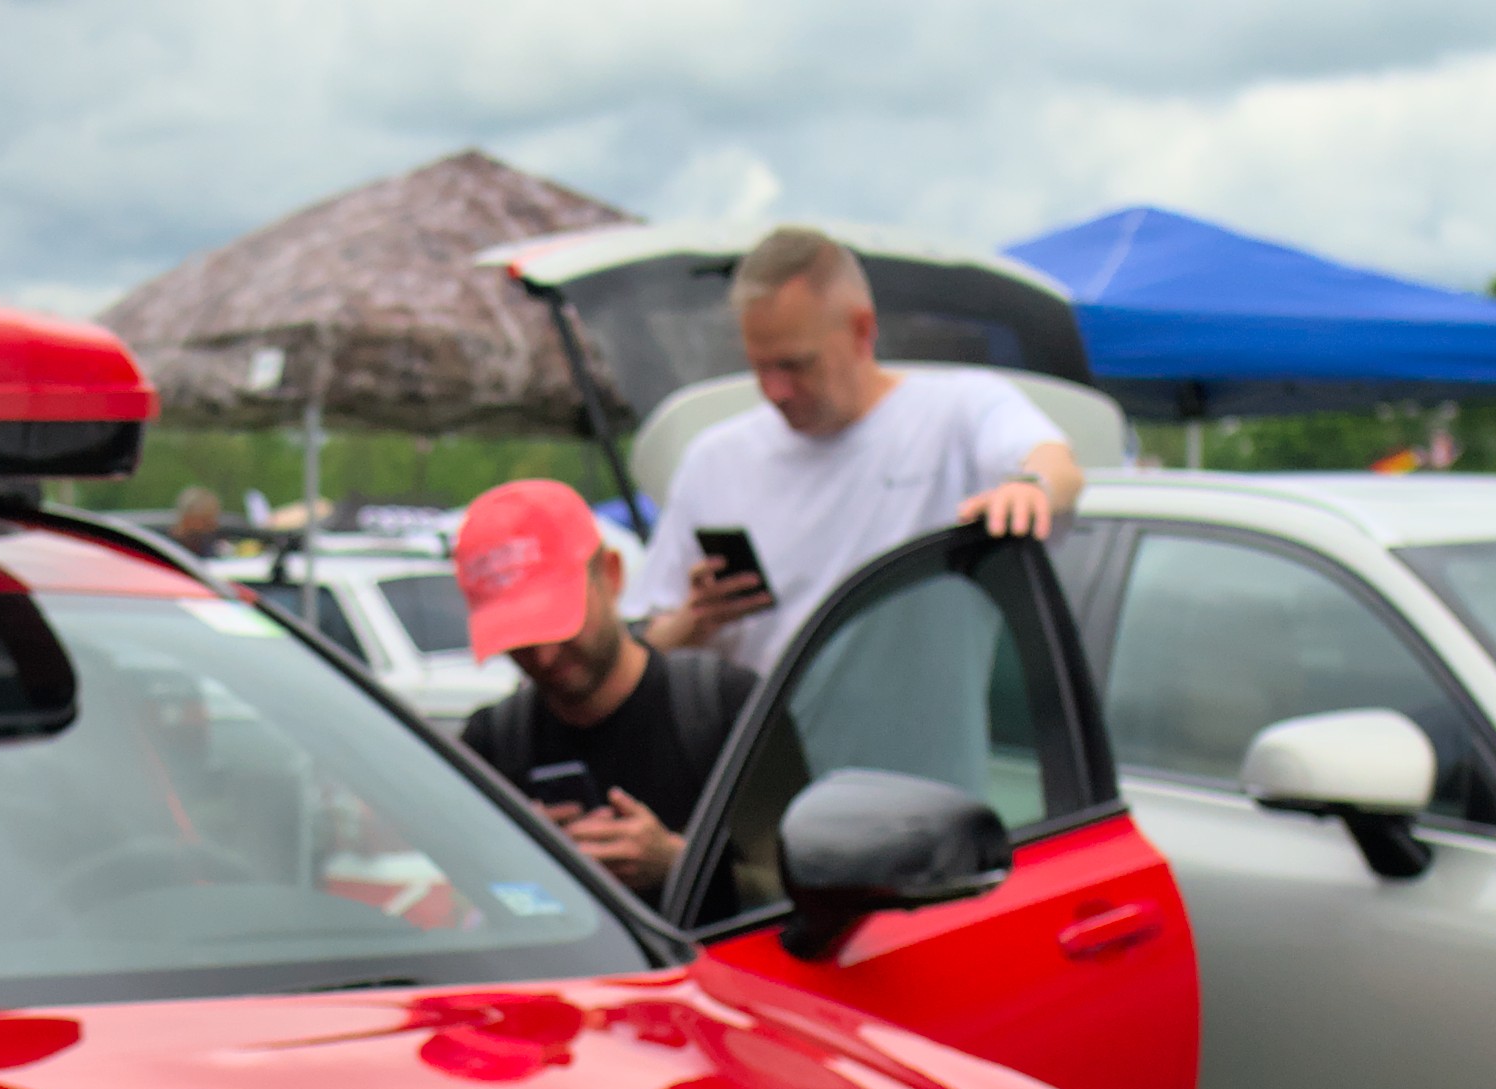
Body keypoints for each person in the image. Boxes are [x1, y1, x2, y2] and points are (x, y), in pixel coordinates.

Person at [636, 225, 1081, 669]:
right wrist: (694, 622)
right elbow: (644, 647)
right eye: (760, 367)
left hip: (920, 719)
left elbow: (1057, 466)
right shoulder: (713, 461)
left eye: (795, 365)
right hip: (766, 715)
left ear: (862, 330)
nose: (775, 390)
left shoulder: (956, 411)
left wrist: (1029, 488)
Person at [451, 475, 741, 900]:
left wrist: (678, 864)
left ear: (611, 575)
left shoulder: (722, 707)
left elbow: (791, 882)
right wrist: (516, 860)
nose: (545, 657)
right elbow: (467, 901)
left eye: (558, 623)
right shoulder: (492, 745)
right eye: (519, 639)